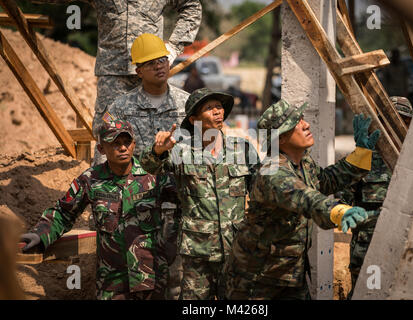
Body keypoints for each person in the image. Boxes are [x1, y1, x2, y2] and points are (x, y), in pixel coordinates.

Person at [223, 99, 380, 300]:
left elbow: (325, 181)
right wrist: (337, 210)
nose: (306, 125)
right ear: (279, 140)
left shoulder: (303, 163)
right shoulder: (272, 173)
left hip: (289, 274)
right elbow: (305, 197)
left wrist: (361, 154)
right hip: (256, 281)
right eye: (296, 124)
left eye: (302, 119)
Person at [31, 0, 202, 161]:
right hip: (112, 76)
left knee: (154, 134)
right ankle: (105, 188)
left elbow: (192, 6)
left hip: (150, 73)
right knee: (109, 135)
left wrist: (173, 46)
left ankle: (154, 186)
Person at [20, 119, 171, 300]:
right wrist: (41, 234)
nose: (122, 148)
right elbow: (64, 212)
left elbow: (183, 203)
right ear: (101, 149)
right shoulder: (91, 180)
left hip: (151, 277)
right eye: (115, 143)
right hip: (112, 282)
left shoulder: (153, 175)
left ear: (134, 144)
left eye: (126, 142)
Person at [139, 87, 260, 300]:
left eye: (219, 107)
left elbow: (261, 193)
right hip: (197, 255)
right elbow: (149, 166)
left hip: (236, 251)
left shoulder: (243, 149)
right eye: (209, 108)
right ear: (194, 120)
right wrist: (158, 151)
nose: (217, 112)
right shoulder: (181, 151)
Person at [106, 33, 189, 300]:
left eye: (163, 59)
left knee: (177, 283)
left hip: (178, 208)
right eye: (151, 62)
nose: (159, 65)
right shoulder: (120, 108)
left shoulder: (187, 105)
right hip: (136, 211)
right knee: (139, 283)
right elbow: (108, 160)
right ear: (138, 70)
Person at [336, 96, 413, 299]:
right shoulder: (364, 157)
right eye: (391, 122)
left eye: (403, 121)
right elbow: (342, 201)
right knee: (369, 294)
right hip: (369, 250)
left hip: (408, 247)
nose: (396, 128)